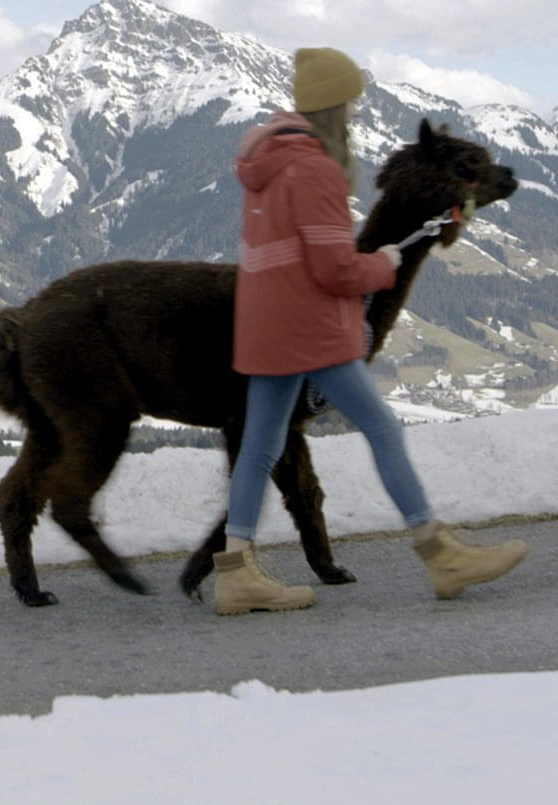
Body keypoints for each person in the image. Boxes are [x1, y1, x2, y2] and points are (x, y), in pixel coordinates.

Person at [214, 47, 528, 616]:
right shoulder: (315, 169)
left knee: (259, 448)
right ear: (333, 106)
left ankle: (234, 573)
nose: (356, 112)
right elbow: (334, 269)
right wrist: (383, 264)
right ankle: (442, 556)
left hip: (266, 326)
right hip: (310, 328)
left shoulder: (264, 164)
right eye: (351, 102)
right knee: (384, 431)